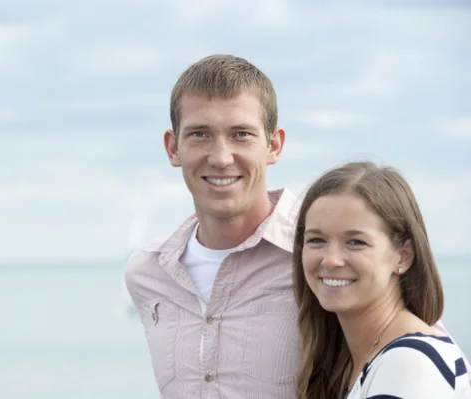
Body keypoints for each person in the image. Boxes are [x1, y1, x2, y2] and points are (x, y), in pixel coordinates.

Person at [124, 54, 470, 398]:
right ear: (173, 148)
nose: (221, 157)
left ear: (274, 145)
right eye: (200, 134)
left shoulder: (322, 257)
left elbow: (424, 358)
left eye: (241, 134)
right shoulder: (148, 272)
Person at [292, 161, 471, 399]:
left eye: (356, 242)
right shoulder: (361, 361)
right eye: (316, 240)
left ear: (403, 255)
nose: (330, 260)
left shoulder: (408, 364)